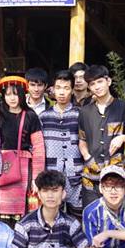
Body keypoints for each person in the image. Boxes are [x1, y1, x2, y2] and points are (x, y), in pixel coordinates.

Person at [78, 65, 125, 207]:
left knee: (117, 213)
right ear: (89, 87)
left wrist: (123, 137)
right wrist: (87, 157)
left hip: (116, 173)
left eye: (100, 82)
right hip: (91, 174)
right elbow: (82, 139)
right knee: (91, 212)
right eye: (92, 84)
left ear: (108, 81)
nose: (97, 87)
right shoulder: (85, 112)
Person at [0, 76, 44, 222]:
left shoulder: (31, 116)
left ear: (22, 94)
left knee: (24, 211)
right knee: (1, 208)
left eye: (15, 94)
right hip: (3, 166)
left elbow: (38, 148)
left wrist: (36, 177)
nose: (12, 98)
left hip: (25, 167)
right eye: (8, 94)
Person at [39, 70, 84, 216]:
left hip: (76, 173)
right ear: (52, 89)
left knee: (77, 214)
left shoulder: (80, 114)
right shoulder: (44, 116)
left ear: (72, 90)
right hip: (51, 172)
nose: (62, 92)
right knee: (53, 214)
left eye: (66, 88)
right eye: (58, 88)